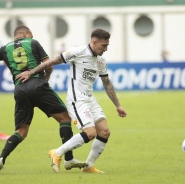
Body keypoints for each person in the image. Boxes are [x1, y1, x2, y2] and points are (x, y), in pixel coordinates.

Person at [0, 25, 85, 174]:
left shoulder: (5, 48)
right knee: (64, 118)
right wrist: (47, 77)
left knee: (21, 130)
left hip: (20, 90)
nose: (31, 36)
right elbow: (48, 64)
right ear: (25, 34)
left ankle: (1, 159)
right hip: (38, 85)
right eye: (30, 34)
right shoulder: (33, 43)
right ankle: (69, 159)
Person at [16, 28, 127, 173]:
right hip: (77, 99)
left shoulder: (101, 61)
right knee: (90, 133)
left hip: (90, 98)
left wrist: (118, 105)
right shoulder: (77, 52)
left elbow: (107, 83)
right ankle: (57, 153)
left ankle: (87, 166)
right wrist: (31, 72)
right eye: (103, 46)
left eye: (107, 46)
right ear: (94, 42)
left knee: (104, 131)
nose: (106, 49)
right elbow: (52, 61)